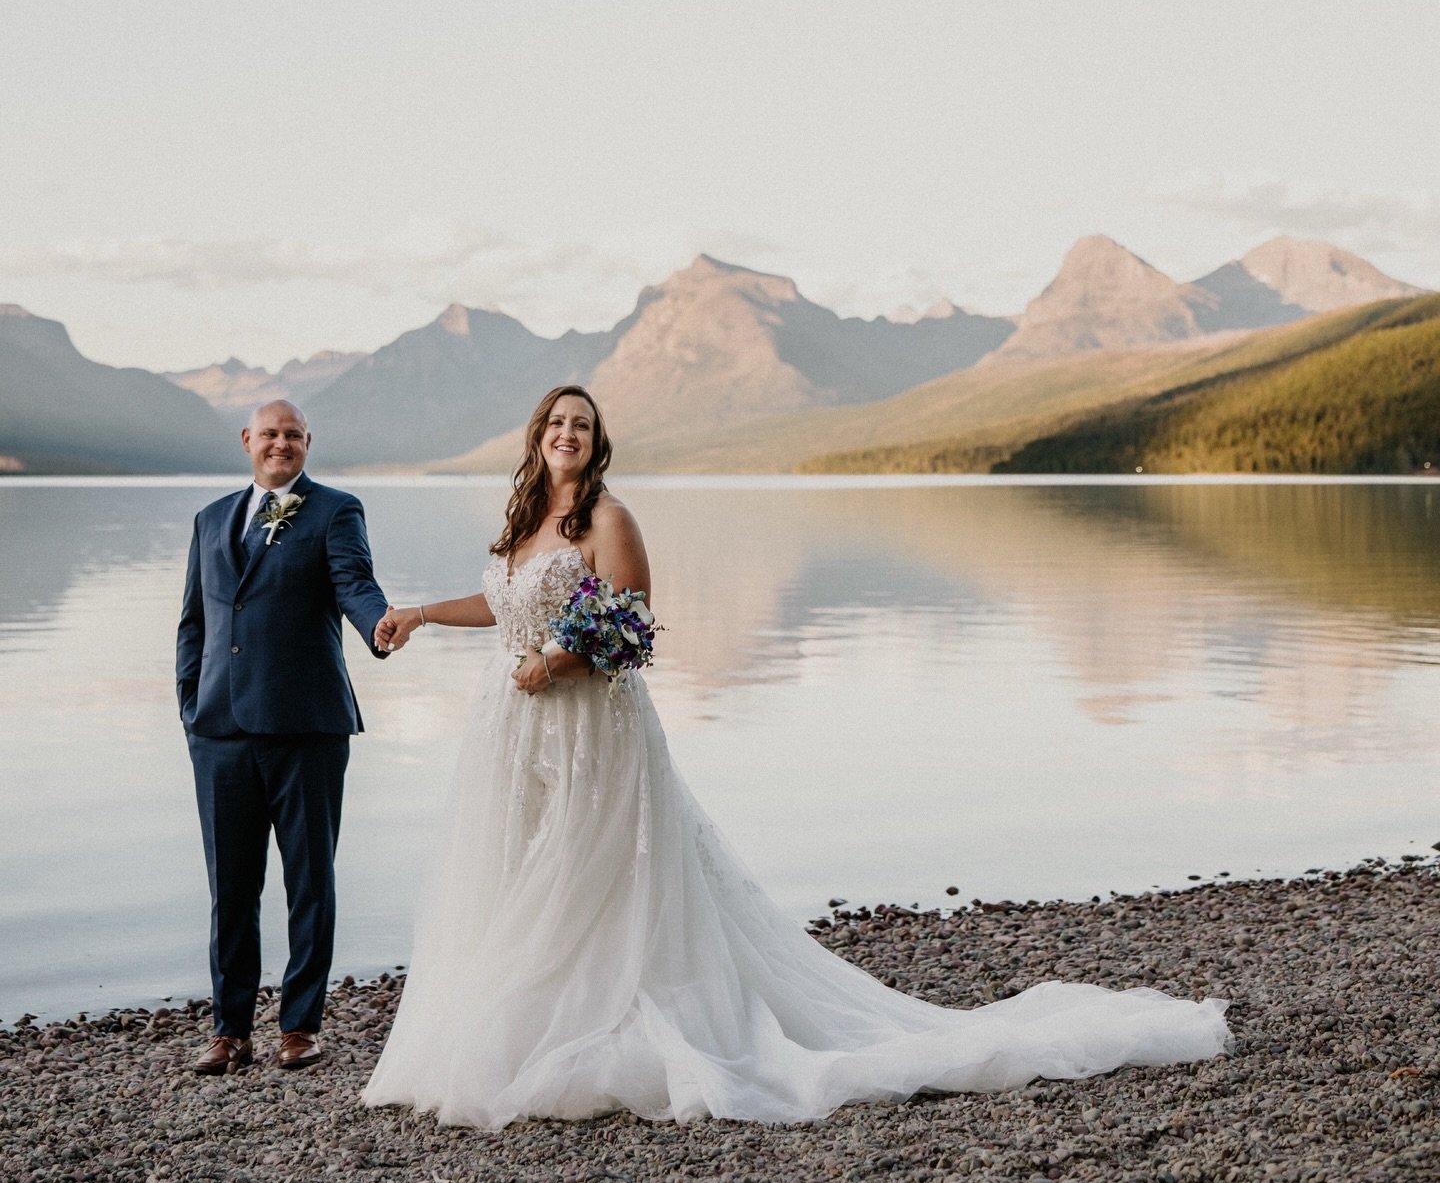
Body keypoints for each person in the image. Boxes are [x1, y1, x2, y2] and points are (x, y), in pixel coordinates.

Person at [365, 384, 1231, 1127]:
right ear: (536, 435)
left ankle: (604, 1018)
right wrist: (424, 614)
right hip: (516, 734)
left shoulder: (609, 517)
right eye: (557, 421)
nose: (568, 434)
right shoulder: (523, 521)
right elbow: (506, 606)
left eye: (583, 425)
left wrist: (553, 663)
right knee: (526, 870)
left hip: (589, 726)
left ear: (597, 444)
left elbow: (628, 627)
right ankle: (528, 1019)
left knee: (591, 874)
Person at [176, 399, 404, 1075]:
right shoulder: (210, 518)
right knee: (232, 887)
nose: (281, 444)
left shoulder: (335, 510)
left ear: (308, 443)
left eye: (294, 435)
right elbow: (195, 621)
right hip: (219, 731)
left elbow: (354, 584)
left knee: (310, 880)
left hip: (306, 726)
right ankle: (230, 1031)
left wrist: (378, 626)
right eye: (270, 434)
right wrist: (191, 705)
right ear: (248, 439)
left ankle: (300, 1027)